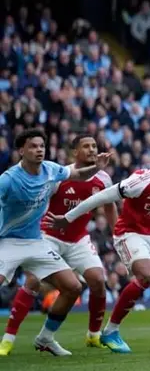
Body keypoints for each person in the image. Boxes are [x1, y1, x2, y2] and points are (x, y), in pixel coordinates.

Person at [44, 140, 150, 354]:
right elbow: (100, 197)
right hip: (131, 234)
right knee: (146, 276)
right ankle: (111, 331)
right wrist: (67, 218)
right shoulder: (139, 182)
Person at [1, 135, 117, 352]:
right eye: (86, 146)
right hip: (46, 236)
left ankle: (89, 335)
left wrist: (117, 234)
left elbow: (107, 203)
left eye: (94, 146)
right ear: (75, 152)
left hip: (73, 239)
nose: (92, 150)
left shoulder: (95, 177)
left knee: (91, 282)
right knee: (33, 281)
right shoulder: (48, 177)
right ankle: (8, 339)